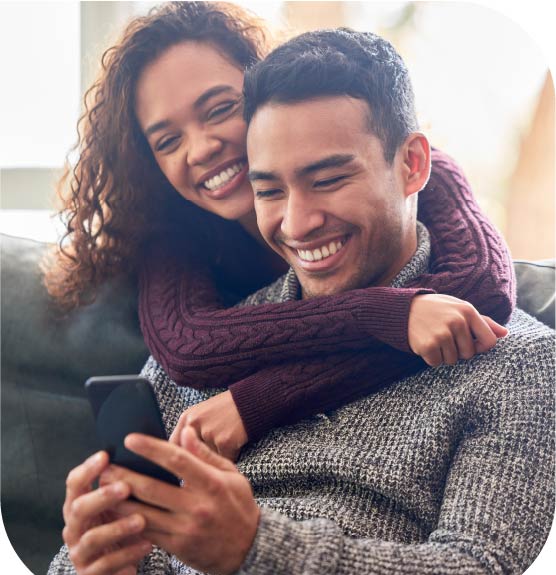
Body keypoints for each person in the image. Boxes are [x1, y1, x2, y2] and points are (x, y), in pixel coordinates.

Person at [47, 27, 554, 575]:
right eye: (269, 190)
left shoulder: (517, 363)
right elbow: (69, 572)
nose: (297, 223)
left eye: (329, 179)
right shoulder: (196, 356)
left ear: (413, 165)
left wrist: (256, 548)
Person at [44, 1, 514, 463]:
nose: (202, 148)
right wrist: (388, 315)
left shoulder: (415, 174)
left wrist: (258, 402)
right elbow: (191, 349)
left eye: (220, 109)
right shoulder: (174, 236)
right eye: (169, 141)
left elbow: (479, 295)